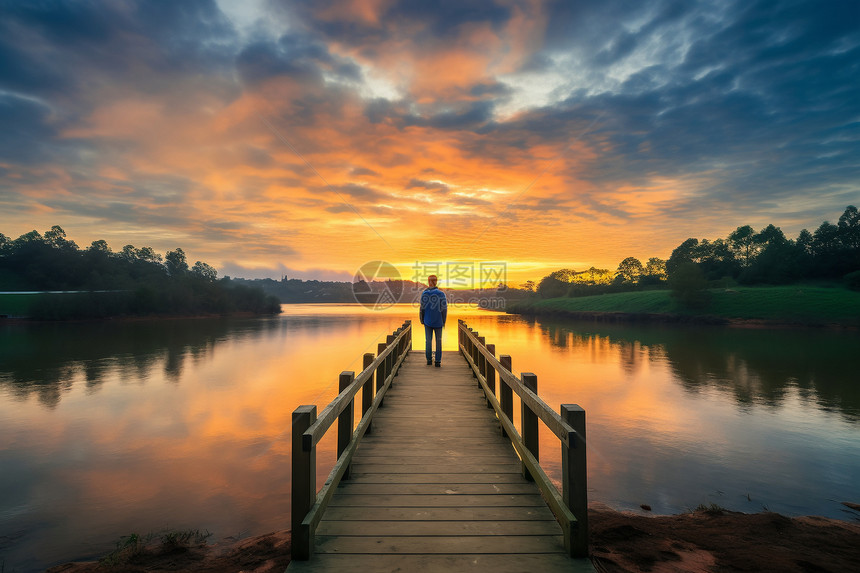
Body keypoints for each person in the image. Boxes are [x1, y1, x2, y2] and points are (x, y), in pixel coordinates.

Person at [419, 275, 447, 367]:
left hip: (427, 320)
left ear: (428, 281)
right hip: (438, 321)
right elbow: (444, 309)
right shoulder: (441, 294)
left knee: (428, 340)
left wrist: (422, 319)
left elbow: (422, 308)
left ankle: (429, 360)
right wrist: (444, 321)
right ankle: (438, 361)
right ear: (436, 282)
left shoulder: (424, 294)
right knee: (438, 340)